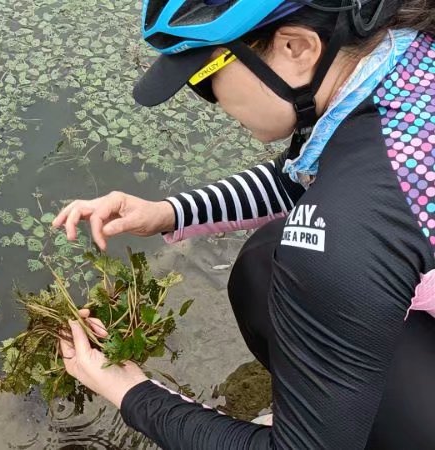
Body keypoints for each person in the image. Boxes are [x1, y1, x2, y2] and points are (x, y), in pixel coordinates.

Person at [52, 0, 435, 448]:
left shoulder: (349, 228)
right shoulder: (405, 62)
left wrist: (129, 390)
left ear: (297, 47)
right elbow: (307, 175)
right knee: (273, 255)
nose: (208, 99)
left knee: (280, 270)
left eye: (203, 77)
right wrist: (168, 213)